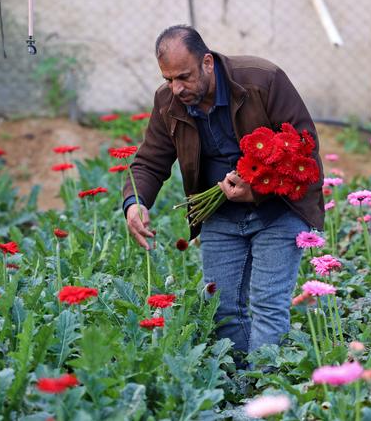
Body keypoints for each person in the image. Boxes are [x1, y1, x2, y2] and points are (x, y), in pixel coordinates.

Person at [123, 25, 324, 365]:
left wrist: (257, 189)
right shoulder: (168, 101)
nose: (177, 88)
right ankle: (239, 388)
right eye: (169, 79)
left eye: (183, 77)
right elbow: (150, 160)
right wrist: (135, 203)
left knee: (267, 304)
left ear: (206, 62)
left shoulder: (263, 80)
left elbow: (304, 147)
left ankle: (265, 395)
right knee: (222, 308)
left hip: (279, 210)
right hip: (219, 215)